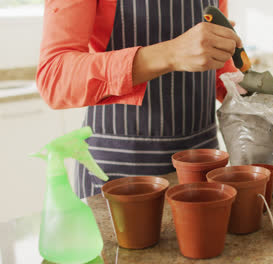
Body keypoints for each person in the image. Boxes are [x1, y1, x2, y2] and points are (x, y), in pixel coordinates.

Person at [36, 0, 242, 198]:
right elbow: (54, 77)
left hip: (202, 166)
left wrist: (250, 95)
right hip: (119, 174)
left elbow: (216, 64)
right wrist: (169, 54)